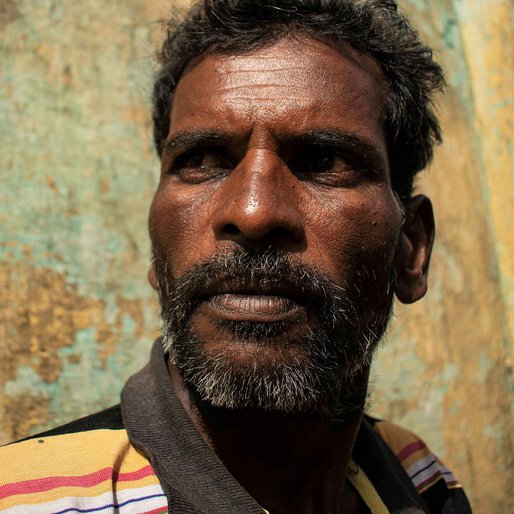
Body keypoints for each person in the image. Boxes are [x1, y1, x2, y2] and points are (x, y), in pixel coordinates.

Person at [0, 1, 472, 512]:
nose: (252, 212)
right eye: (201, 160)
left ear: (410, 249)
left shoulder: (418, 478)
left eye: (323, 160)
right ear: (160, 255)